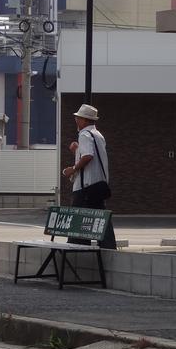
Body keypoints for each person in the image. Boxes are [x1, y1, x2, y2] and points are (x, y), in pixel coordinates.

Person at [62, 103, 116, 249]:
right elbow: (91, 156)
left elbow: (88, 156)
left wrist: (72, 169)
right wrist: (77, 150)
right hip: (98, 185)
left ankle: (76, 253)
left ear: (85, 120)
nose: (76, 120)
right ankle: (109, 250)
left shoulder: (84, 134)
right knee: (102, 222)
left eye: (78, 118)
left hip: (85, 187)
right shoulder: (98, 135)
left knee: (78, 226)